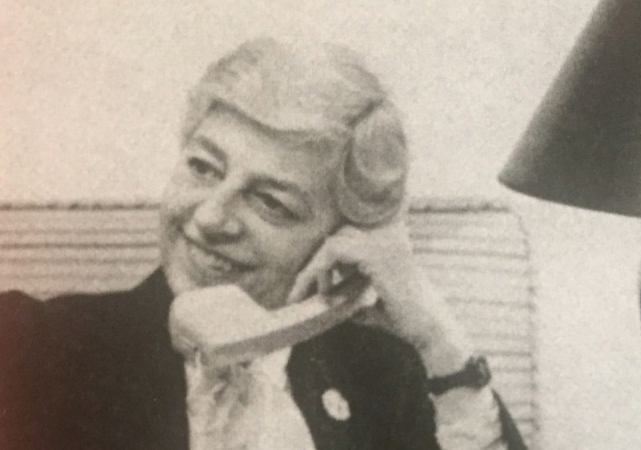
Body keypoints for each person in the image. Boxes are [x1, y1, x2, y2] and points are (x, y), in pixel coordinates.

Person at [0, 37, 527, 450]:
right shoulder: (35, 347)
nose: (210, 217)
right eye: (203, 167)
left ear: (342, 241)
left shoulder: (387, 379)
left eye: (270, 202)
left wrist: (439, 339)